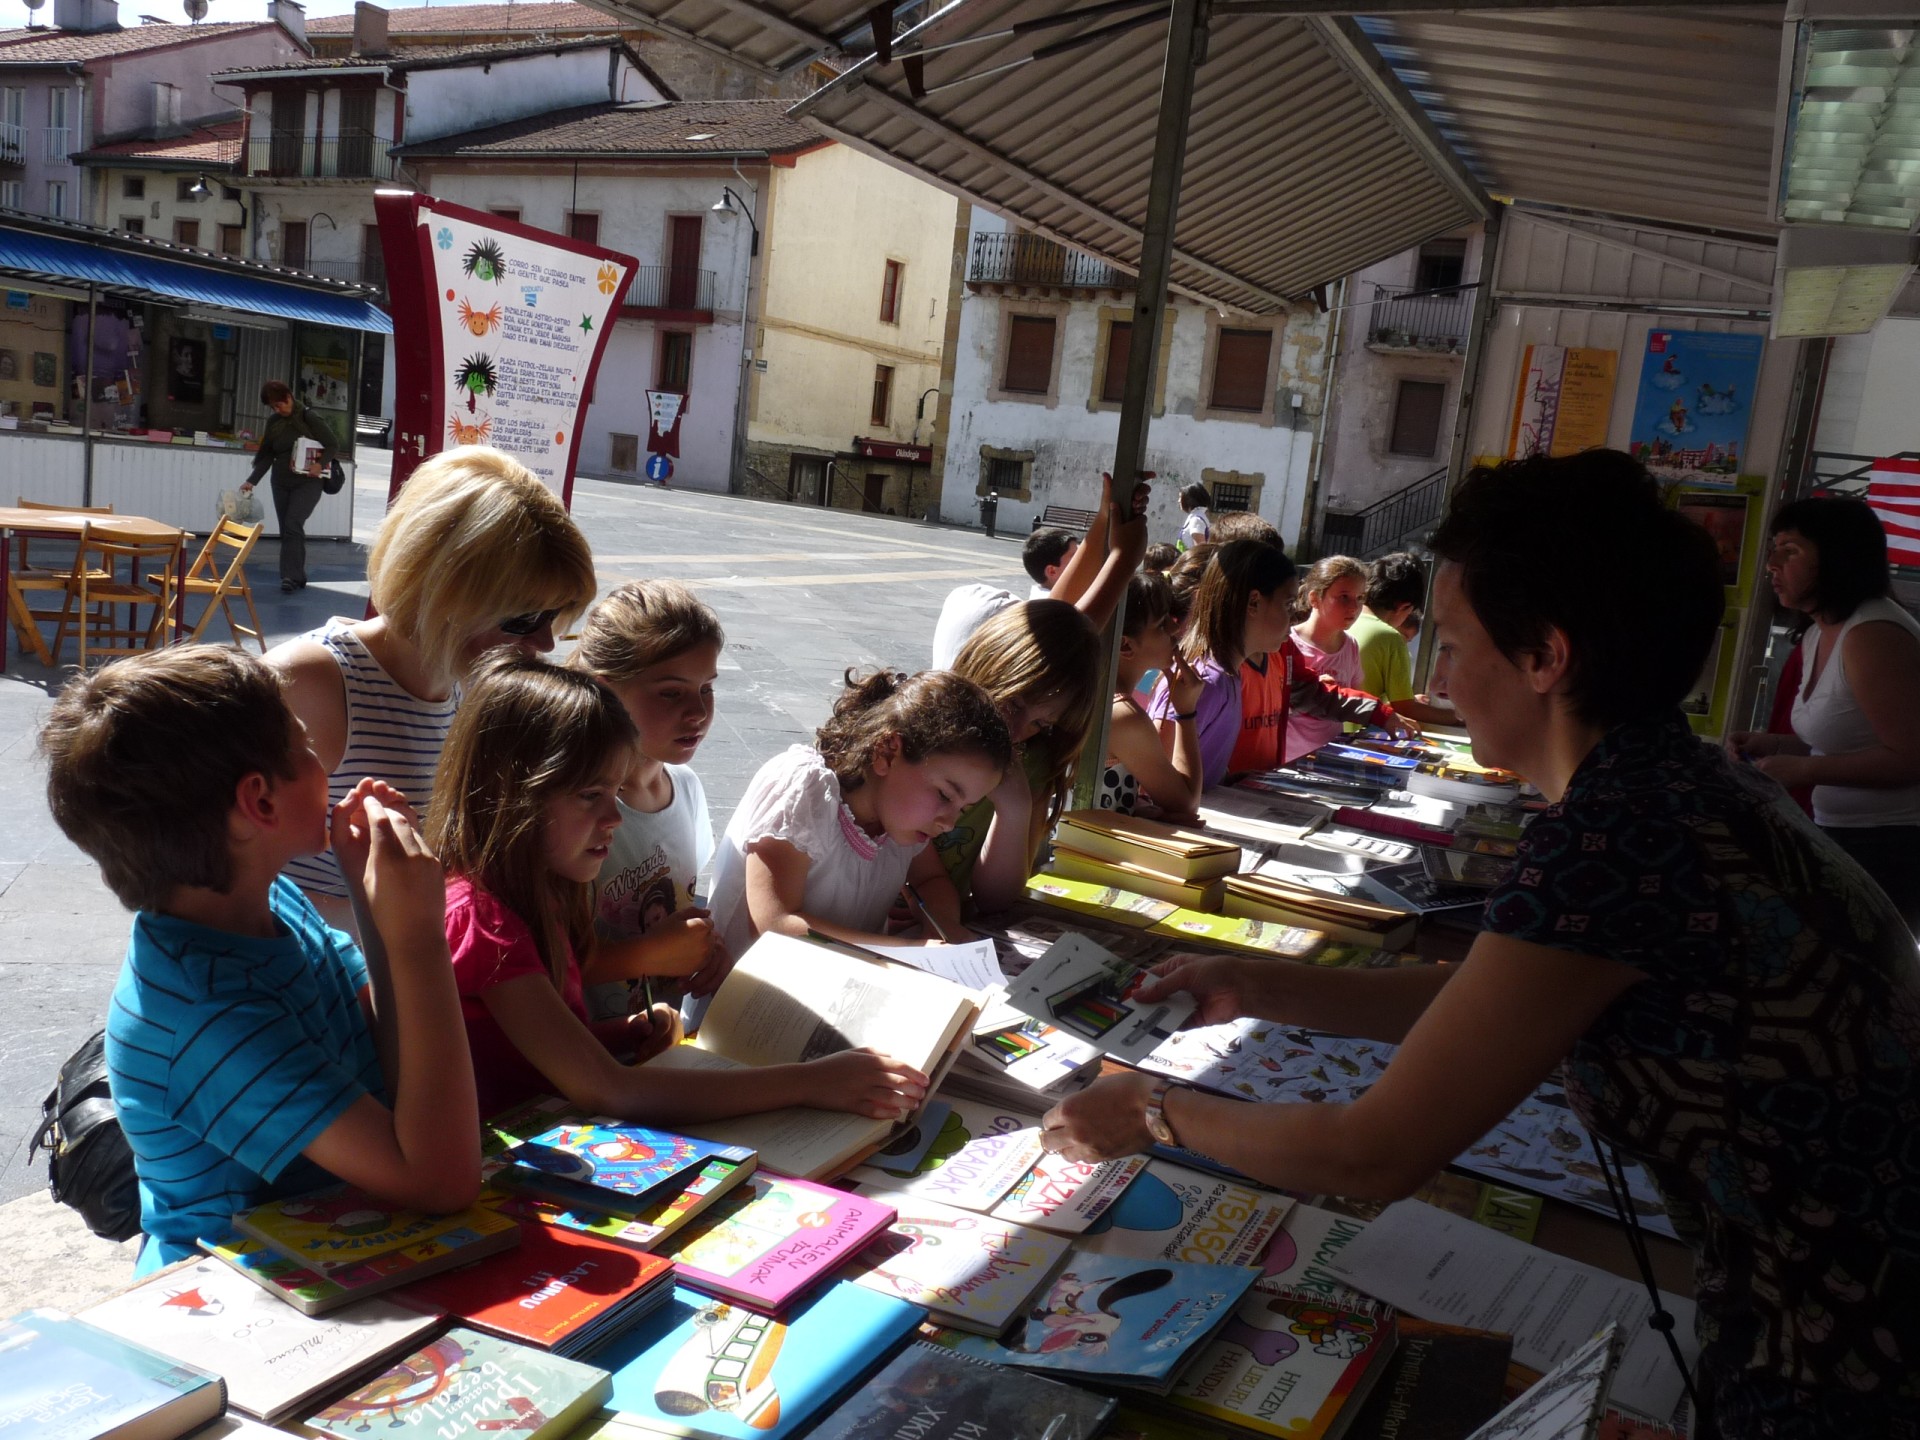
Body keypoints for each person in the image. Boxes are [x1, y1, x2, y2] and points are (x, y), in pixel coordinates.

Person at [1042, 450, 1920, 1440]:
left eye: (1453, 645)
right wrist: (1253, 984)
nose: (1436, 674)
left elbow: (1373, 1153)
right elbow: (1492, 995)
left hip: (1843, 1358)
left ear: (1545, 657)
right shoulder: (1678, 785)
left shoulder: (1620, 842)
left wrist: (1154, 1112)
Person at [42, 648, 480, 1274]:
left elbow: (390, 1054)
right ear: (261, 805)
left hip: (345, 1242)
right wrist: (417, 936)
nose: (322, 762)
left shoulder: (271, 899)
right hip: (232, 1299)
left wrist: (373, 901)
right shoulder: (207, 1008)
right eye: (304, 745)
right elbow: (441, 1181)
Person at [431, 655, 928, 1126]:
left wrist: (616, 1035)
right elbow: (609, 1091)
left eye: (614, 791)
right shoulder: (482, 922)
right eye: (590, 796)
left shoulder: (540, 892)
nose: (613, 818)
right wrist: (810, 1082)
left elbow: (521, 1050)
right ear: (512, 796)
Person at [272, 446, 598, 937]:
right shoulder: (313, 685)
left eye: (553, 617)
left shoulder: (465, 685)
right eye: (524, 618)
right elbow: (217, 884)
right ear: (443, 592)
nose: (545, 641)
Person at [709, 669, 1012, 957]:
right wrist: (907, 952)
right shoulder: (805, 790)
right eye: (945, 795)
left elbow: (931, 880)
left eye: (964, 808)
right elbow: (776, 923)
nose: (949, 823)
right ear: (887, 753)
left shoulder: (897, 823)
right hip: (746, 1000)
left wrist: (945, 927)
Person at [1730, 497, 1920, 931]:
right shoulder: (1820, 631)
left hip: (1892, 844)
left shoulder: (1873, 636)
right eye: (1774, 548)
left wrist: (1799, 769)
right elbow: (1848, 737)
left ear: (1837, 558)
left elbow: (1910, 757)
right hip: (1845, 833)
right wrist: (1773, 743)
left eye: (1791, 550)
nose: (1772, 564)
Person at [569, 581, 730, 1021]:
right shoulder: (574, 809)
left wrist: (706, 947)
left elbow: (683, 902)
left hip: (659, 1042)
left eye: (707, 689)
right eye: (671, 692)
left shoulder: (687, 787)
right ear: (607, 690)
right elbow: (538, 962)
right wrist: (650, 953)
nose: (697, 712)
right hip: (590, 1053)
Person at [1151, 541, 1398, 786]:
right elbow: (1154, 782)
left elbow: (1204, 768)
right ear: (1254, 602)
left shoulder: (1228, 675)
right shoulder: (1205, 679)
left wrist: (1227, 781)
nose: (1293, 616)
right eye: (1288, 604)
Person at [935, 599, 1103, 913]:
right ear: (985, 666)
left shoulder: (1034, 763)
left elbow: (996, 898)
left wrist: (1014, 809)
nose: (1014, 731)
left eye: (1040, 723)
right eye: (1012, 704)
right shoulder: (928, 733)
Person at [931, 474, 1149, 668]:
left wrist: (1106, 517)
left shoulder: (964, 598)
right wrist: (1122, 558)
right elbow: (1065, 636)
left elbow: (1058, 617)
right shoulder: (1002, 696)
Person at [1097, 571, 1204, 819]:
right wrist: (1186, 712)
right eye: (1161, 624)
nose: (1175, 628)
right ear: (1125, 645)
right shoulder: (1123, 715)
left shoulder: (1099, 693)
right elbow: (1186, 805)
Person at [240, 379, 336, 593]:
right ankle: (298, 574)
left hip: (308, 482)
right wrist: (251, 481)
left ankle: (289, 577)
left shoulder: (309, 417)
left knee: (293, 522)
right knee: (288, 529)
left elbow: (332, 444)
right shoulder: (274, 422)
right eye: (273, 407)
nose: (278, 409)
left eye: (280, 404)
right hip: (281, 481)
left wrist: (319, 465)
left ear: (289, 397)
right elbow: (267, 455)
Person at [1285, 555, 1371, 760]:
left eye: (1360, 598)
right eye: (1343, 597)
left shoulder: (1350, 646)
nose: (1354, 607)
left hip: (1328, 759)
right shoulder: (1287, 643)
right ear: (1314, 598)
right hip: (1286, 761)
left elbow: (1353, 701)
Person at [1177, 482, 1211, 550]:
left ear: (1189, 500)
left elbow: (1199, 549)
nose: (1178, 501)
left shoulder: (1196, 520)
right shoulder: (1196, 516)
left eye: (1180, 497)